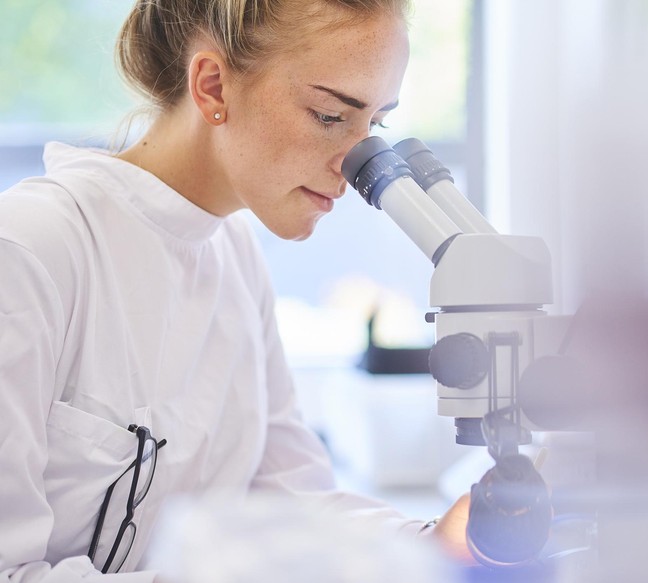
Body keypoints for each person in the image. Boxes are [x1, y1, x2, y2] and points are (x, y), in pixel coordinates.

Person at [0, 0, 472, 580]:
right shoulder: (32, 251)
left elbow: (288, 506)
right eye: (329, 115)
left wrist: (433, 542)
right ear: (213, 86)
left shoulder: (235, 258)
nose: (354, 165)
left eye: (373, 125)